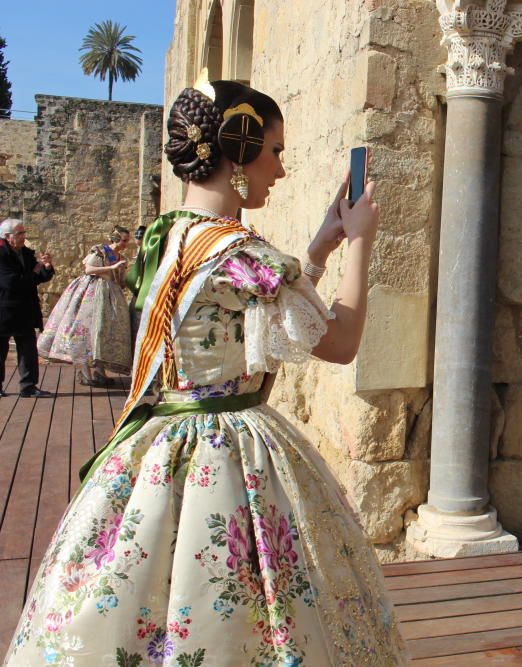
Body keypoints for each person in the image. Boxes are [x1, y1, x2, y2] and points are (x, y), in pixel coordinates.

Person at [5, 80, 406, 665]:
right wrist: (363, 243)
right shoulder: (242, 253)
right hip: (226, 448)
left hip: (156, 441)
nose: (281, 170)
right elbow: (340, 342)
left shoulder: (163, 236)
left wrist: (318, 249)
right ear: (238, 150)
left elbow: (258, 315)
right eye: (274, 150)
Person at [37, 226, 132, 387]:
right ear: (115, 239)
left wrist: (123, 274)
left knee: (102, 332)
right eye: (124, 240)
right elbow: (88, 269)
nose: (125, 244)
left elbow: (119, 281)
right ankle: (86, 373)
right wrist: (111, 268)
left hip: (110, 295)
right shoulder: (100, 251)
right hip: (92, 293)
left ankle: (99, 372)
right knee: (85, 331)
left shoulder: (120, 256)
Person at [0, 218, 55, 398]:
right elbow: (11, 283)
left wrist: (46, 267)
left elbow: (38, 278)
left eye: (24, 233)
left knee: (28, 350)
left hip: (25, 309)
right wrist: (34, 273)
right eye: (20, 233)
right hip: (5, 310)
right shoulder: (1, 255)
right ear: (8, 237)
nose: (24, 236)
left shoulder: (25, 253)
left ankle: (29, 386)